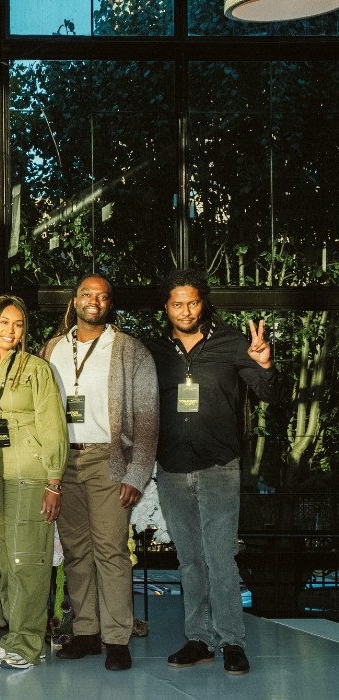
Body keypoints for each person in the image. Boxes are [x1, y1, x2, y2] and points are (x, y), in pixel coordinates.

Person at [146, 269, 280, 676]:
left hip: (219, 466)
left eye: (192, 302)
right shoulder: (154, 350)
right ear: (165, 307)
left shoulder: (232, 343)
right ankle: (199, 639)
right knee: (189, 560)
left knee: (221, 559)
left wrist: (265, 364)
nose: (185, 311)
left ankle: (232, 642)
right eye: (176, 303)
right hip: (171, 469)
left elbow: (270, 393)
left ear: (203, 303)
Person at [39, 274, 158, 672]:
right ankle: (86, 633)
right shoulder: (53, 348)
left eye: (103, 296)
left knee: (111, 551)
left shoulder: (129, 350)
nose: (95, 301)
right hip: (61, 463)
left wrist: (136, 474)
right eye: (87, 295)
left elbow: (147, 418)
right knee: (75, 552)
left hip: (108, 460)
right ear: (74, 301)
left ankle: (117, 638)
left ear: (110, 304)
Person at [0, 295, 68, 670]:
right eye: (4, 322)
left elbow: (54, 427)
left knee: (29, 560)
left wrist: (54, 481)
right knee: (5, 560)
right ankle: (15, 634)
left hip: (30, 475)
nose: (11, 330)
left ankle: (29, 643)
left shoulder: (37, 369)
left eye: (19, 324)